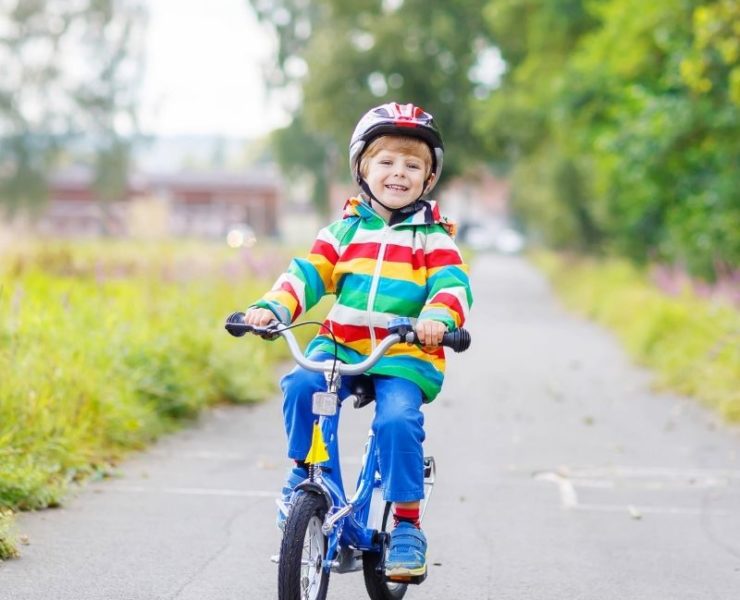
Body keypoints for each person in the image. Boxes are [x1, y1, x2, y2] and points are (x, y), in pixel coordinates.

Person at [243, 102, 472, 578]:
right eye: (386, 161)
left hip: (402, 352)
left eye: (413, 165)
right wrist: (272, 308)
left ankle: (407, 523)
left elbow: (452, 286)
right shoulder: (343, 231)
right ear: (362, 169)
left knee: (397, 419)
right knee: (303, 385)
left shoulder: (433, 239)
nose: (398, 173)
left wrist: (435, 317)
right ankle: (305, 477)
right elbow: (306, 276)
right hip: (340, 343)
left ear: (429, 180)